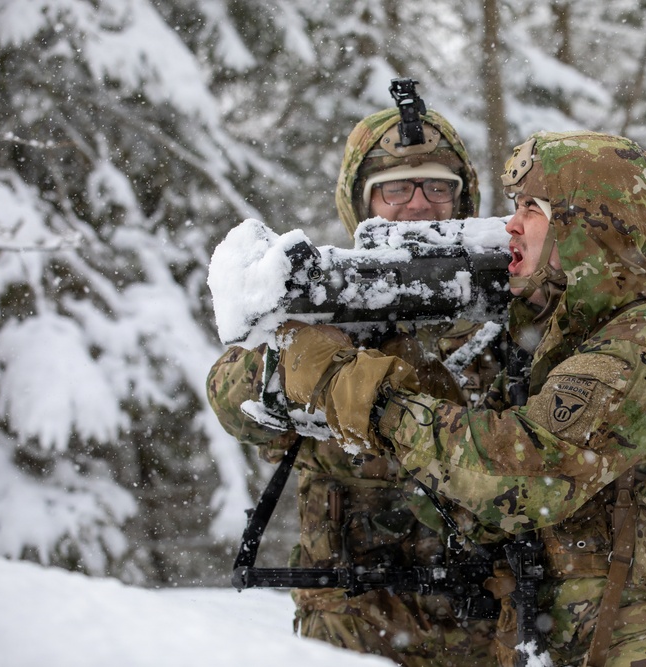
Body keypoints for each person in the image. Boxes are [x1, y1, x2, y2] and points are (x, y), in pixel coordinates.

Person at [270, 130, 646, 666]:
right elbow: (484, 508)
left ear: (585, 227)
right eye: (515, 206)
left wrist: (359, 391)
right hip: (599, 638)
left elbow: (525, 476)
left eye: (533, 208)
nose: (510, 224)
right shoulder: (567, 339)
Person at [207, 102, 503, 666]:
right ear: (360, 202)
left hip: (490, 623)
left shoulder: (506, 312)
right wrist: (304, 358)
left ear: (464, 199)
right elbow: (230, 395)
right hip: (351, 623)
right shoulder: (327, 302)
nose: (418, 204)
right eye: (395, 189)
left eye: (438, 187)